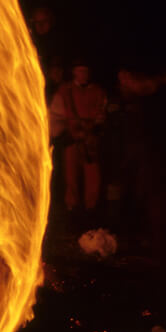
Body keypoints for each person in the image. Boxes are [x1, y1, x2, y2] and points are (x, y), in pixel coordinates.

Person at [49, 62, 107, 229]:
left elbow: (101, 114)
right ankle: (71, 209)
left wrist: (92, 130)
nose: (83, 73)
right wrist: (68, 130)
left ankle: (91, 211)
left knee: (92, 176)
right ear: (74, 72)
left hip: (90, 141)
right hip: (72, 139)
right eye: (80, 70)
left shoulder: (97, 91)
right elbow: (56, 114)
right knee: (71, 175)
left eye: (86, 70)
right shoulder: (65, 91)